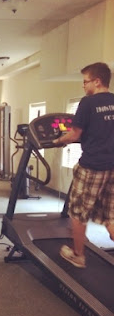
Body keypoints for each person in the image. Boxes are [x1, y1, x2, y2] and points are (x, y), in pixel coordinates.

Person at [52, 62, 114, 268]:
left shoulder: (87, 103)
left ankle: (78, 255)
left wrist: (58, 140)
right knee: (110, 215)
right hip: (112, 166)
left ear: (97, 81)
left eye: (85, 81)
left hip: (92, 166)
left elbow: (75, 134)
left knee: (78, 214)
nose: (83, 85)